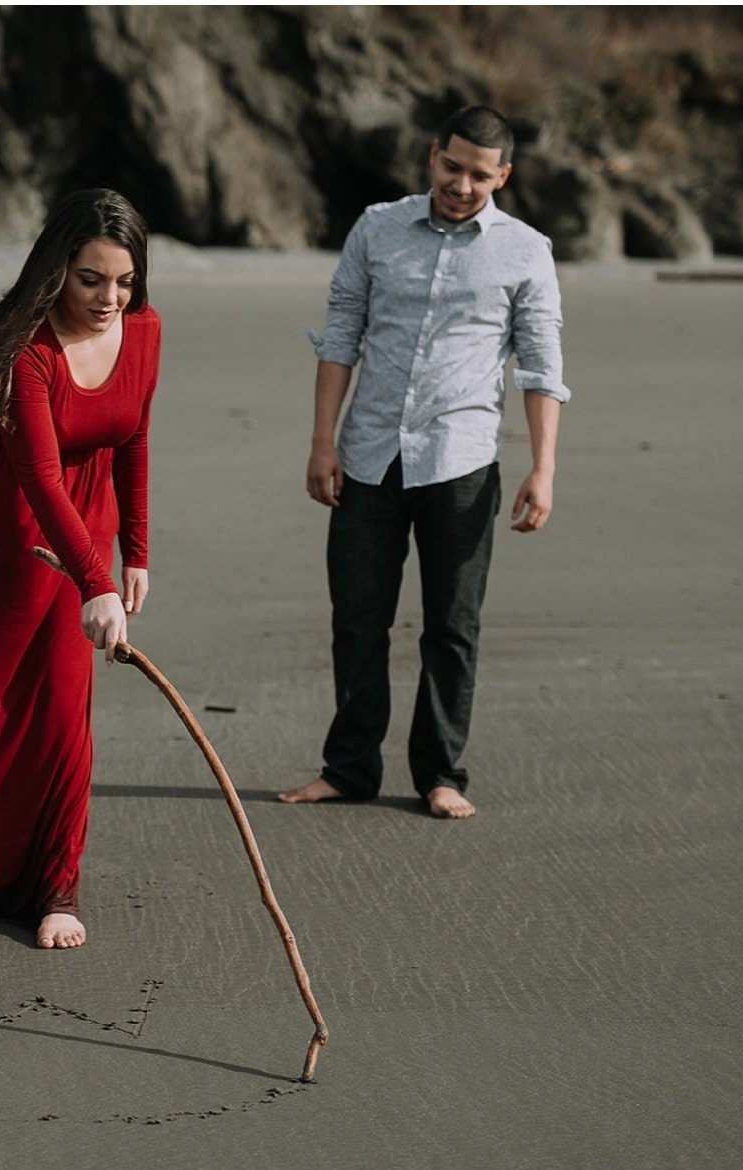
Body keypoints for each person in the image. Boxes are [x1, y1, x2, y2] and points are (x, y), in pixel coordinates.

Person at [278, 106, 568, 820]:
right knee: (358, 620)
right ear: (433, 155)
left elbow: (540, 364)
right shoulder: (377, 227)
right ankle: (348, 769)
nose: (461, 185)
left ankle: (440, 774)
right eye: (451, 166)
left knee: (452, 626)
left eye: (479, 174)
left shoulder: (526, 250)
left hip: (462, 464)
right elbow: (341, 332)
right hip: (369, 456)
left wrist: (544, 467)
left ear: (503, 176)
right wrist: (323, 443)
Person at [0, 188, 160, 950]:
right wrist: (98, 580)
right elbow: (40, 479)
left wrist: (135, 552)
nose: (110, 298)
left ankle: (56, 888)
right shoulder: (19, 349)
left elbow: (136, 436)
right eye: (90, 279)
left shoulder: (144, 330)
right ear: (56, 271)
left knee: (60, 704)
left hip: (80, 525)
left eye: (124, 280)